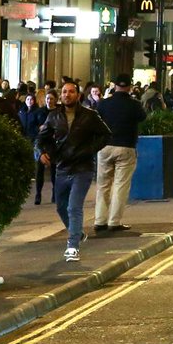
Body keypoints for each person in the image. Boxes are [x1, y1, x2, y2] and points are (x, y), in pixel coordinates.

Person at [36, 80, 111, 262]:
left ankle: (72, 246)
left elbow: (106, 134)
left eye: (71, 92)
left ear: (78, 95)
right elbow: (41, 138)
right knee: (61, 207)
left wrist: (90, 150)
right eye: (64, 92)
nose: (67, 94)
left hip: (82, 168)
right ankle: (77, 233)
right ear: (60, 95)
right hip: (62, 167)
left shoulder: (89, 115)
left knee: (73, 206)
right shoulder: (53, 116)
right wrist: (40, 153)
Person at [94, 75, 147, 234]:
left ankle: (99, 221)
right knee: (120, 185)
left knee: (103, 185)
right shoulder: (134, 105)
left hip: (105, 147)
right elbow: (142, 117)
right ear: (130, 87)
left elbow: (97, 119)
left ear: (114, 86)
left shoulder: (104, 104)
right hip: (126, 147)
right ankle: (114, 222)